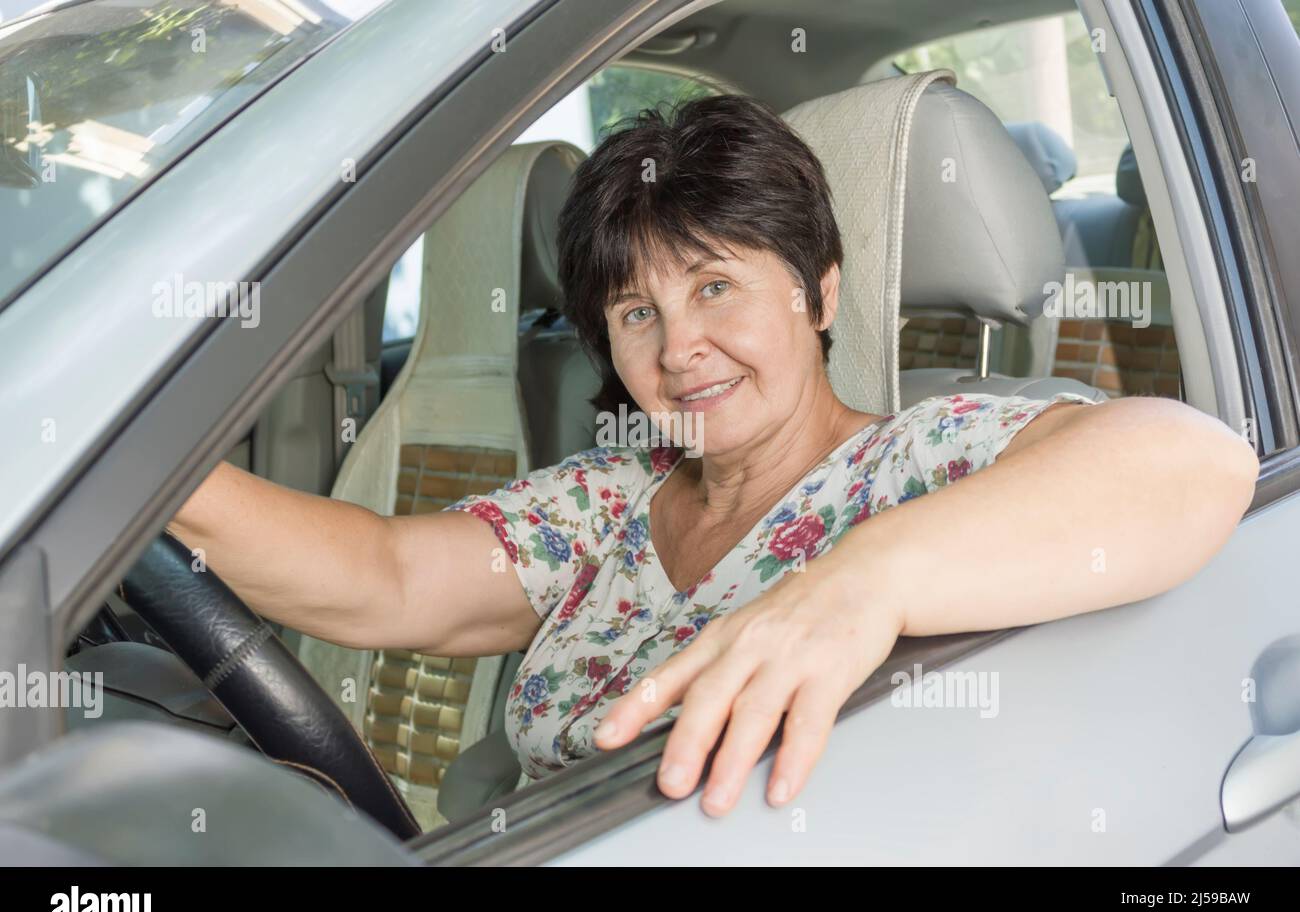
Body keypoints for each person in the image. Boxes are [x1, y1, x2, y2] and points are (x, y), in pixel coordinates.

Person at [169, 95, 1258, 817]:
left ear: (817, 289)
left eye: (714, 287)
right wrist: (153, 489)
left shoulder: (915, 465)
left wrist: (857, 585)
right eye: (634, 310)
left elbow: (1191, 460)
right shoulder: (610, 495)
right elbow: (383, 575)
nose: (679, 347)